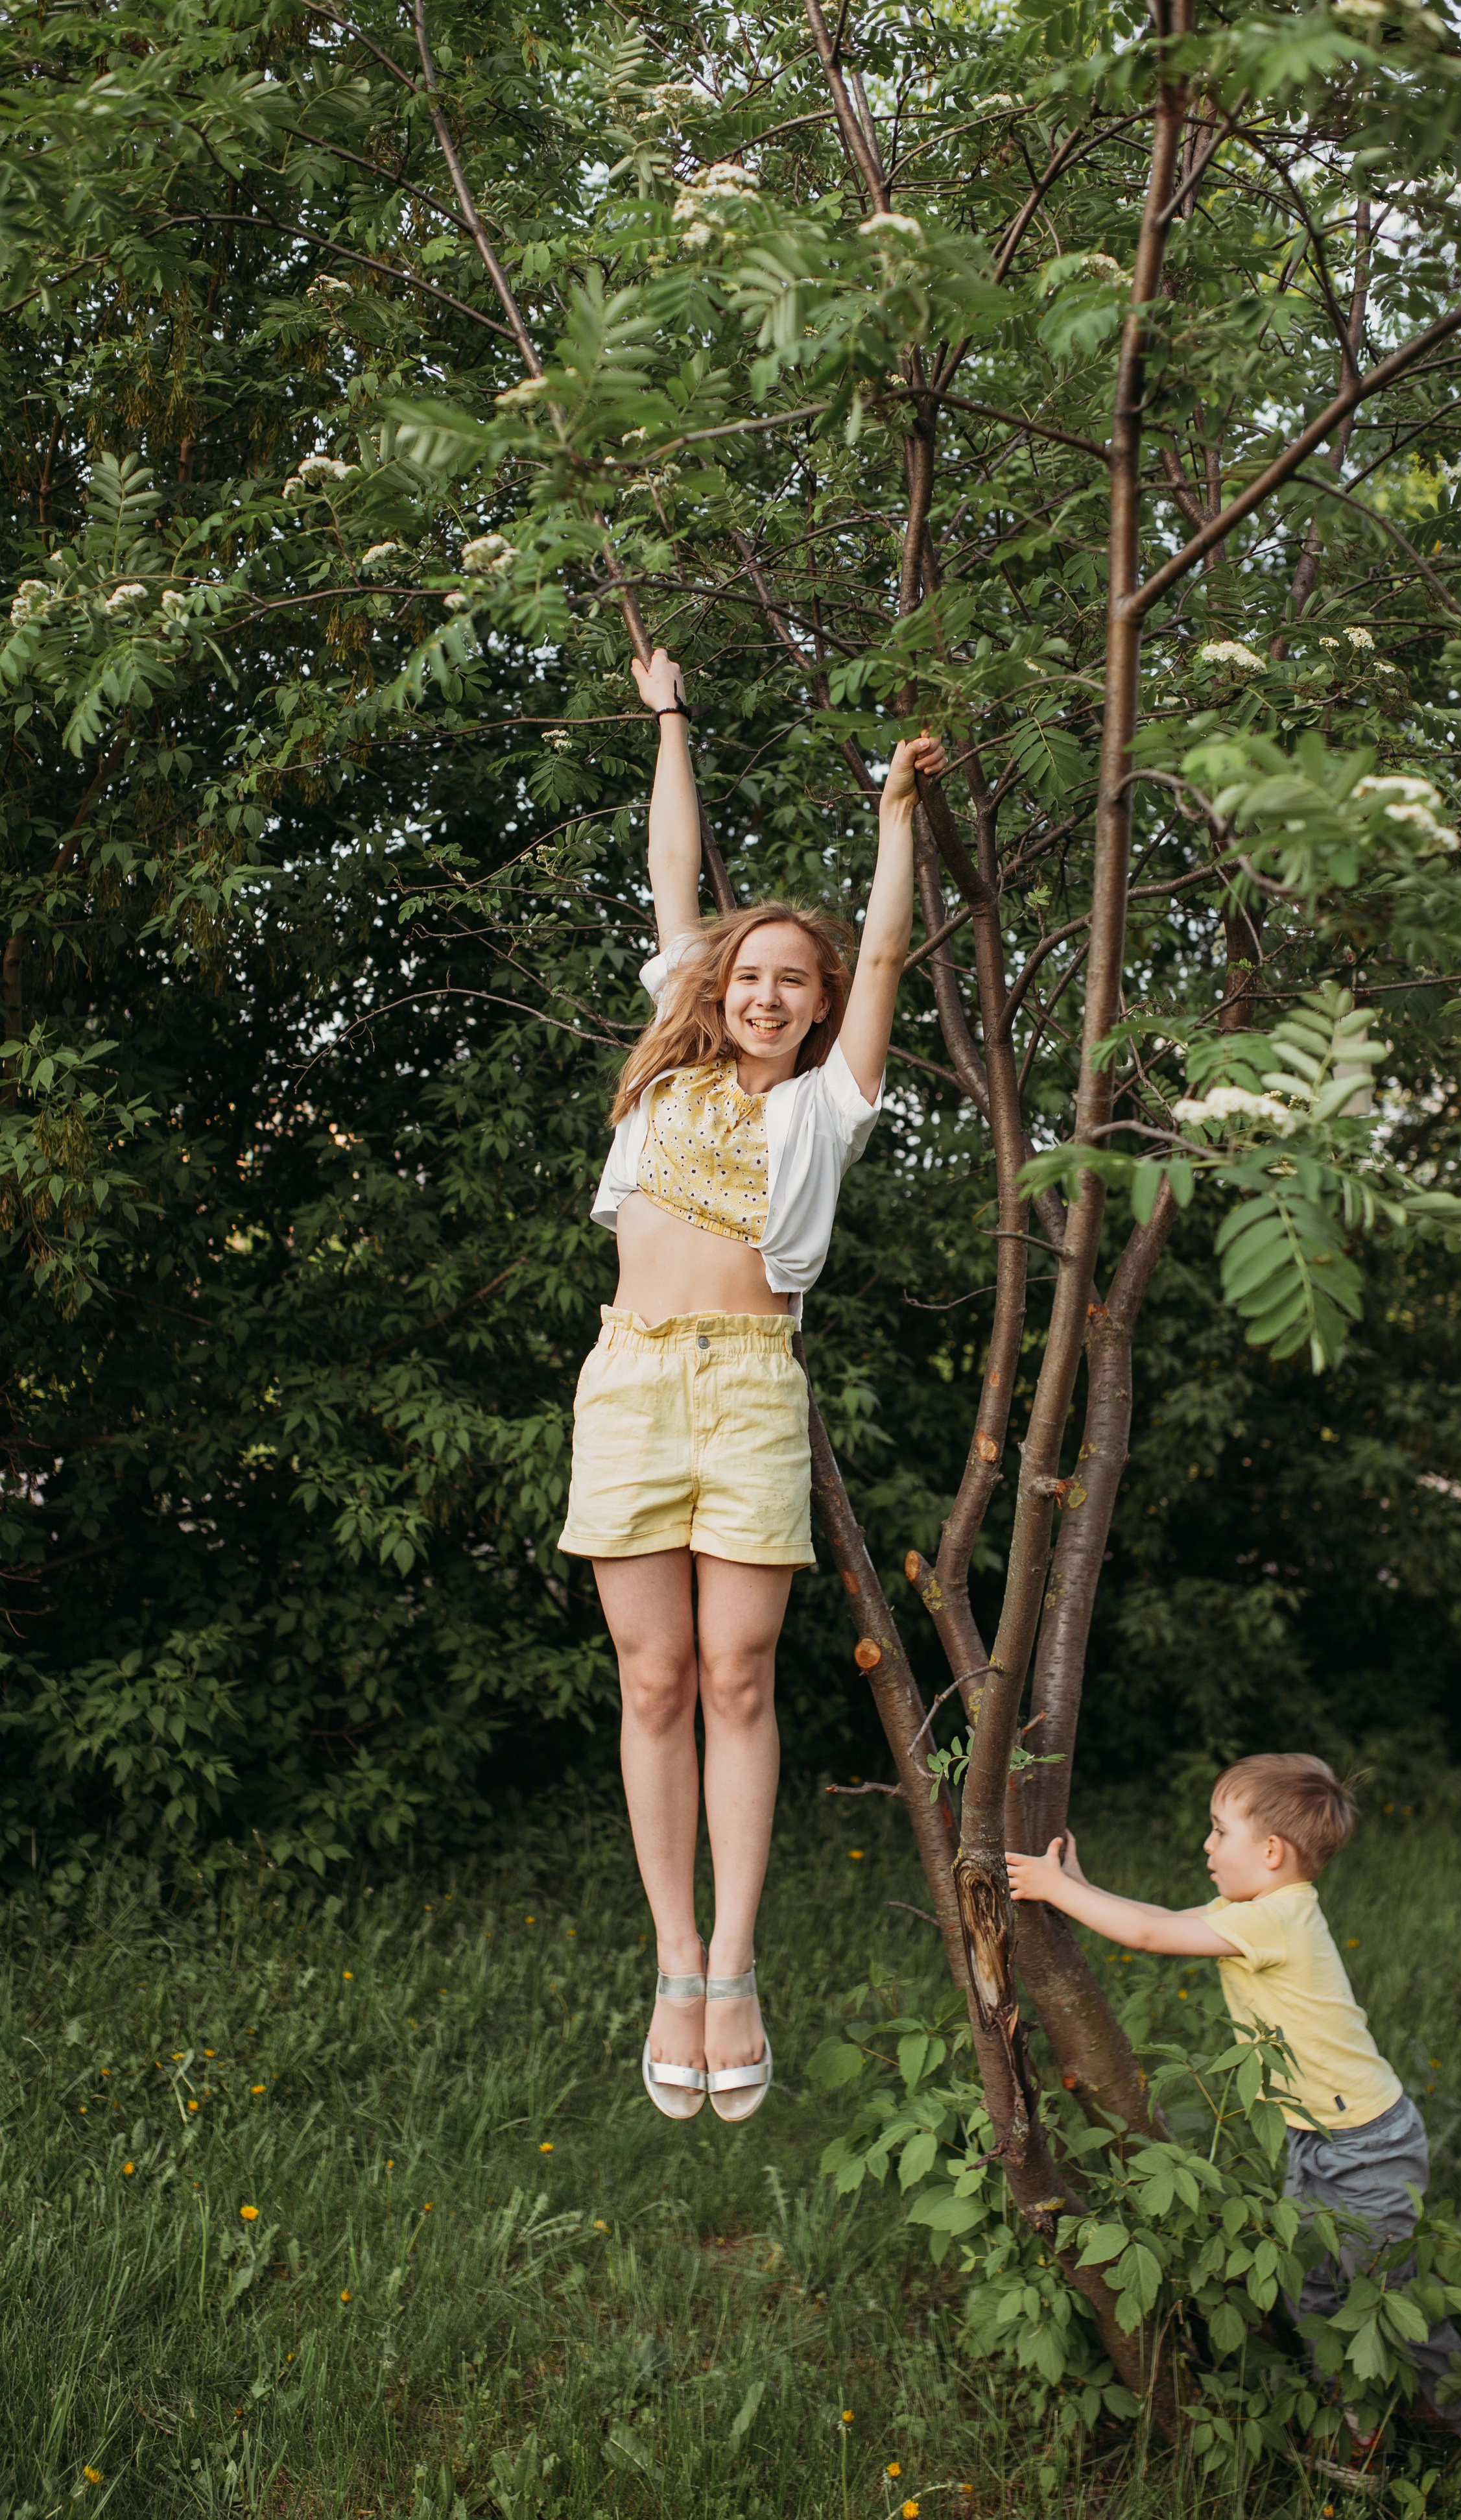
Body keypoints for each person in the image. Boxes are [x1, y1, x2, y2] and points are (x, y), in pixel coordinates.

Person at [558, 646, 945, 2124]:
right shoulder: (664, 1072)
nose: (771, 991)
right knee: (650, 1678)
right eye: (752, 972)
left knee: (733, 1673)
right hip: (630, 1378)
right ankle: (671, 1964)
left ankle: (735, 1964)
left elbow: (891, 957)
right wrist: (667, 711)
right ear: (715, 984)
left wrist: (895, 822)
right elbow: (673, 867)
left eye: (798, 978)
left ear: (817, 1003)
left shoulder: (828, 1107)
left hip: (746, 1386)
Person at [1008, 1753, 1461, 2447]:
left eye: (1218, 1831)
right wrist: (1080, 1887)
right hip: (1312, 2136)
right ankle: (1352, 2415)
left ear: (1269, 1852)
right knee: (1311, 2287)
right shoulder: (1256, 1908)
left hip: (1367, 2145)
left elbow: (1150, 1936)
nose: (1205, 1845)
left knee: (1390, 2295)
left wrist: (1056, 1890)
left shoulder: (1278, 1921)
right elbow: (1163, 1919)